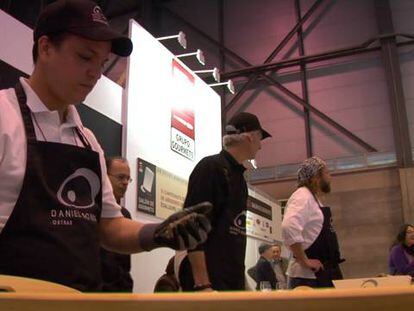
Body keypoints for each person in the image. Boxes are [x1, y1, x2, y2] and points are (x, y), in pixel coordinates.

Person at [0, 0, 212, 292]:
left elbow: (109, 226)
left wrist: (159, 235)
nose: (95, 74)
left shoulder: (87, 141)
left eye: (101, 64)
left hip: (82, 301)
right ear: (46, 48)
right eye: (85, 57)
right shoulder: (3, 117)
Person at [178, 112, 271, 291]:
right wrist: (202, 284)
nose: (260, 146)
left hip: (230, 284)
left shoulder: (239, 179)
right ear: (250, 137)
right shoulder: (210, 168)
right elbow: (193, 228)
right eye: (260, 138)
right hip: (208, 285)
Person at [281, 156, 343, 289]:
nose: (330, 177)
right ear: (316, 178)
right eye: (327, 173)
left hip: (321, 273)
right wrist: (304, 260)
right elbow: (288, 226)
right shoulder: (302, 196)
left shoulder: (313, 199)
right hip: (308, 278)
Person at [100, 157, 133, 292]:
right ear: (105, 177)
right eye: (120, 177)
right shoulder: (92, 212)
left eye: (128, 178)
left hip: (120, 294)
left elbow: (125, 265)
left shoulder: (126, 215)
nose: (125, 183)